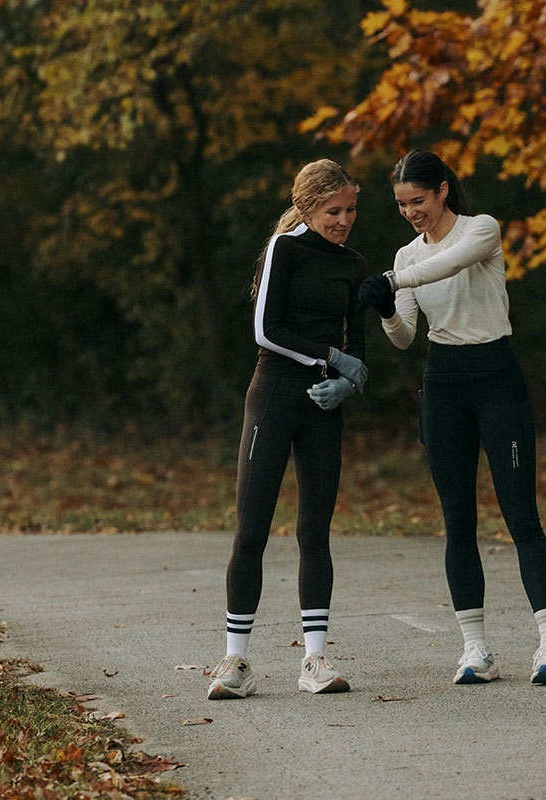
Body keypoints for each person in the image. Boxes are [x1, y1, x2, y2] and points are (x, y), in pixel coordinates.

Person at [356, 149, 546, 685]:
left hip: (496, 376)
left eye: (419, 200)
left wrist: (393, 282)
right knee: (458, 522)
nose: (411, 212)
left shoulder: (482, 230)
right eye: (402, 204)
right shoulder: (406, 258)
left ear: (443, 190)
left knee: (521, 517)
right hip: (444, 382)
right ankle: (476, 650)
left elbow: (447, 264)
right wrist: (386, 306)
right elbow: (405, 337)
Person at [207, 159, 369, 700]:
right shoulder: (286, 249)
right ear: (306, 208)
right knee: (251, 530)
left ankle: (315, 660)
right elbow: (265, 328)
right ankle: (235, 663)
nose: (344, 220)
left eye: (350, 209)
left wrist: (349, 379)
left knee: (314, 533)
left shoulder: (353, 264)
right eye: (333, 211)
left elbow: (359, 346)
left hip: (323, 405)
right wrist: (329, 357)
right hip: (274, 395)